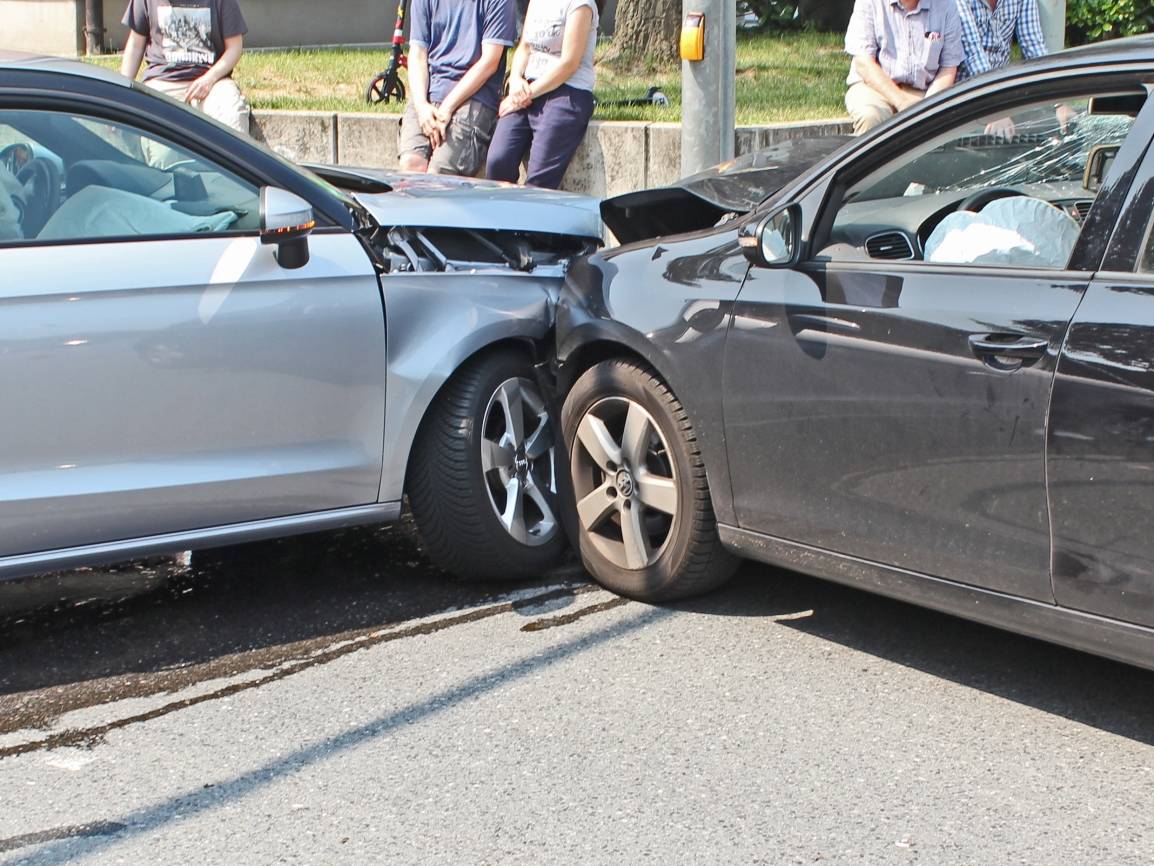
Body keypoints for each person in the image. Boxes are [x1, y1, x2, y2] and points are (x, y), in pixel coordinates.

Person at [484, 0, 599, 190]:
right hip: (528, 89)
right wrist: (514, 79)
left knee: (538, 183)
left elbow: (569, 64)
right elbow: (524, 48)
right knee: (497, 163)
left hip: (568, 92)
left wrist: (524, 95)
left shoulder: (581, 5)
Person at [400, 0, 516, 176]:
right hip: (429, 96)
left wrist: (447, 108)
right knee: (411, 165)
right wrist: (422, 106)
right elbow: (417, 54)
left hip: (475, 97)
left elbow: (490, 62)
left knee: (439, 175)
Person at [119, 0, 250, 134]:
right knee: (162, 146)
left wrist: (209, 79)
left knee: (233, 118)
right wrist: (121, 93)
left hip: (213, 81)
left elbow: (234, 47)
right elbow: (135, 46)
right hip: (162, 81)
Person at [844, 0, 965, 136]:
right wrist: (902, 102)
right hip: (873, 88)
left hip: (924, 91)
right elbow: (864, 64)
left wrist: (928, 107)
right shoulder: (869, 2)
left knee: (940, 123)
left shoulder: (946, 5)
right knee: (871, 117)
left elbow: (948, 68)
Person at [956, 0, 1047, 81]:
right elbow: (975, 57)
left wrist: (1047, 81)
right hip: (965, 91)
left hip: (1002, 84)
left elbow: (1034, 46)